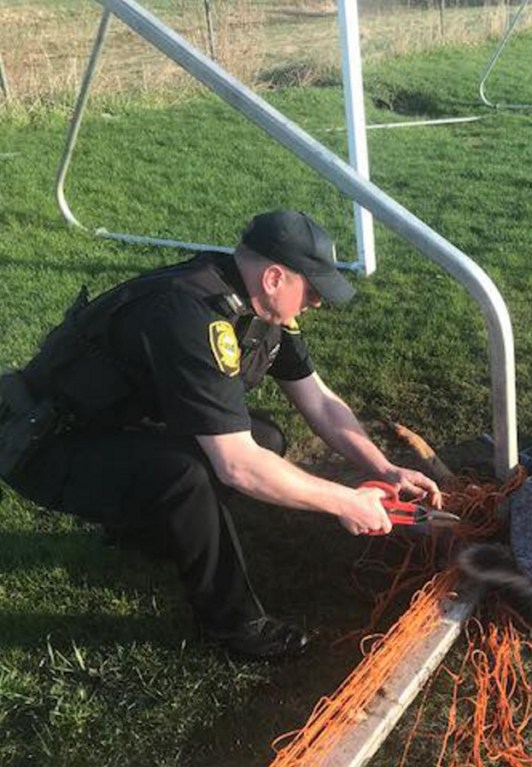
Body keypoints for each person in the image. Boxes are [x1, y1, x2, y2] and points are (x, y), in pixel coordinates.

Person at [0, 210, 441, 659]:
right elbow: (237, 467)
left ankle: (149, 533)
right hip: (46, 446)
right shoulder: (189, 316)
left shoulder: (256, 305)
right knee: (187, 475)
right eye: (311, 290)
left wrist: (383, 468)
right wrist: (345, 501)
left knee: (264, 439)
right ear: (274, 277)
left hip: (112, 428)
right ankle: (236, 627)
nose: (317, 303)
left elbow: (319, 400)